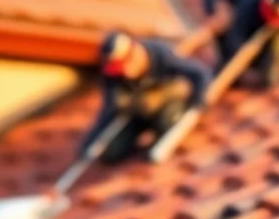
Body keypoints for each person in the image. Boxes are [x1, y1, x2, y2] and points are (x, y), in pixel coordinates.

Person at [77, 31, 211, 164]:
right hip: (137, 114)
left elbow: (199, 73)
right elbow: (110, 107)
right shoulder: (112, 75)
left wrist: (197, 103)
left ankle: (160, 134)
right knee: (111, 152)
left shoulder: (161, 54)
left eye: (126, 65)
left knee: (168, 122)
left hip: (166, 108)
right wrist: (92, 141)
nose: (125, 72)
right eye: (119, 69)